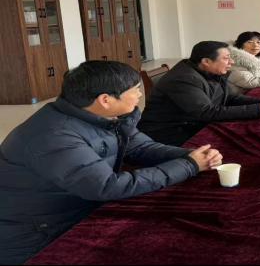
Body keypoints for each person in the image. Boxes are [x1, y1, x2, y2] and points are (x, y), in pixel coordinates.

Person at [0, 61, 223, 265]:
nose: (139, 95)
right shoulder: (55, 136)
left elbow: (142, 147)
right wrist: (189, 166)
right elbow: (106, 186)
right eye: (135, 90)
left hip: (77, 207)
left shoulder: (103, 117)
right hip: (39, 234)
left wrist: (189, 155)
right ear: (105, 100)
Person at [139, 41, 260, 146]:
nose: (231, 62)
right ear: (206, 61)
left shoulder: (209, 70)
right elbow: (206, 113)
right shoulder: (184, 79)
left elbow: (230, 97)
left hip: (192, 123)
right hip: (170, 134)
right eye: (226, 58)